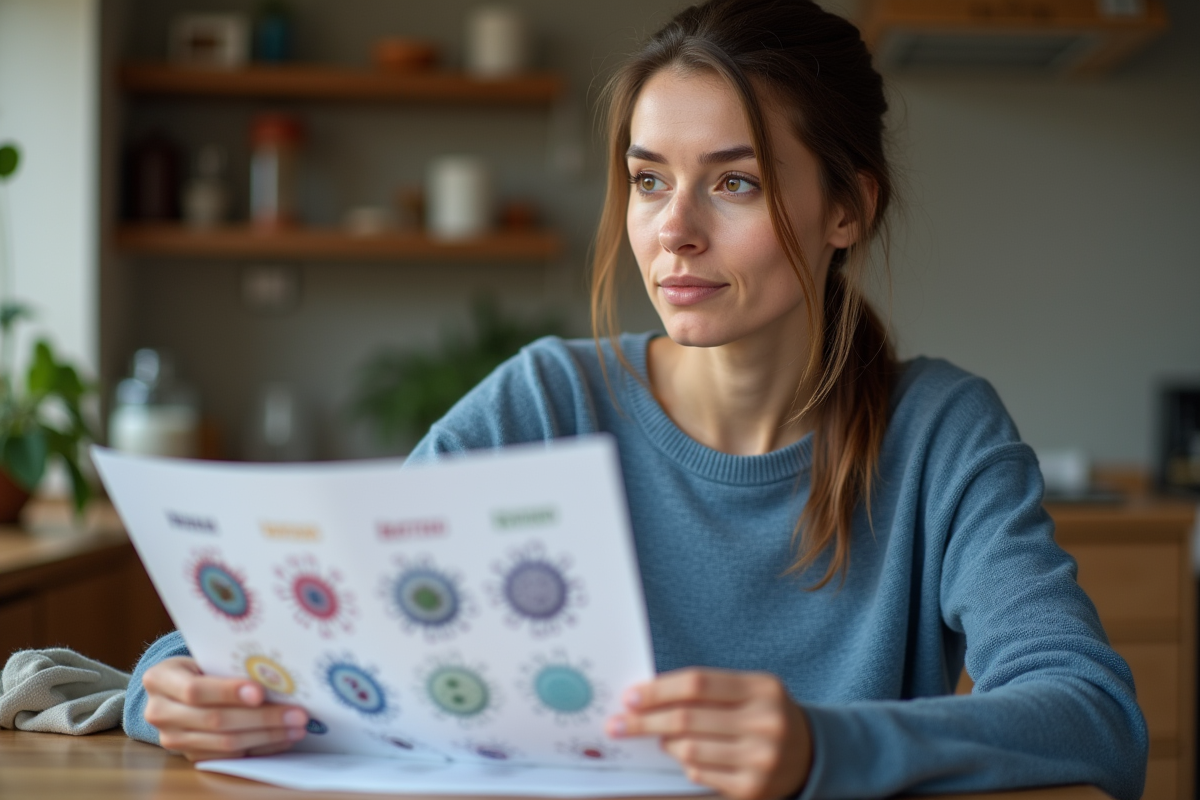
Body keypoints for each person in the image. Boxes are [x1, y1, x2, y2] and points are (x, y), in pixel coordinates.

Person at [122, 2, 1148, 798]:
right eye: (650, 180)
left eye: (735, 182)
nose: (674, 231)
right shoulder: (546, 399)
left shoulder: (940, 433)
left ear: (847, 208)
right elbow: (336, 615)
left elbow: (1093, 714)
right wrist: (172, 683)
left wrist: (820, 747)